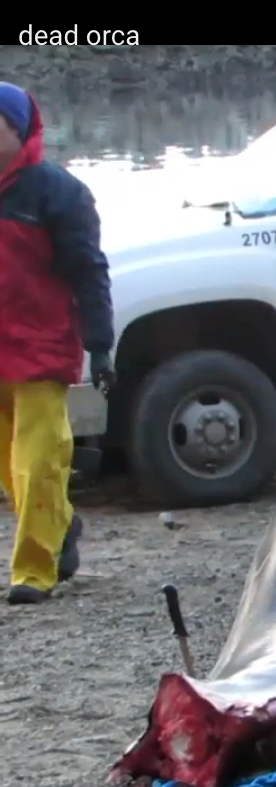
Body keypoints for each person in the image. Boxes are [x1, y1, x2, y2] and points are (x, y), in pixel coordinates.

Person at [0, 82, 116, 605]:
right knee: (9, 464)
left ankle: (33, 570)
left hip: (40, 347)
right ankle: (60, 525)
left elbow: (88, 271)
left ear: (17, 129)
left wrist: (101, 344)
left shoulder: (58, 192)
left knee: (38, 461)